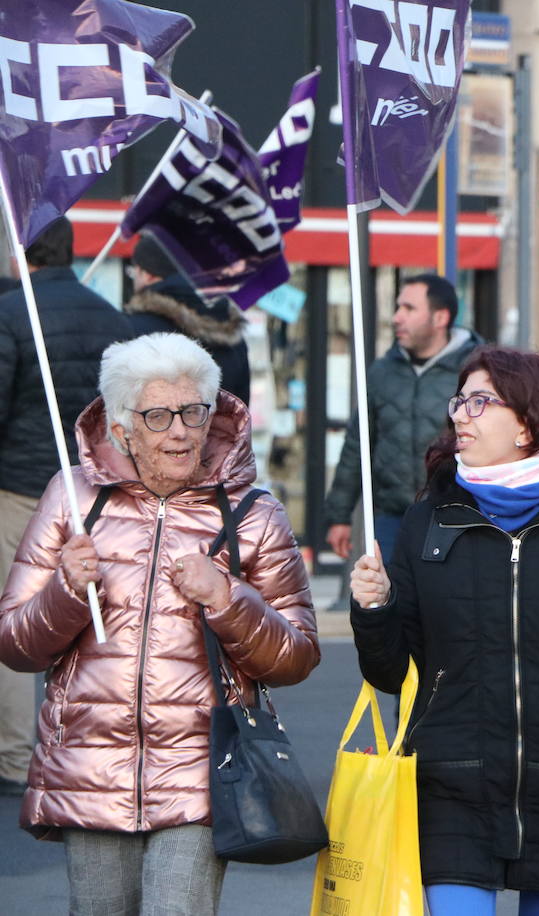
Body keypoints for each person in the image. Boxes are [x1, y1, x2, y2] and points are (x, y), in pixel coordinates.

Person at [0, 332, 320, 913]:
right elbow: (16, 645)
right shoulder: (72, 500)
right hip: (89, 767)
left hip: (204, 771)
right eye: (157, 415)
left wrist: (228, 597)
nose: (179, 431)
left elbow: (297, 656)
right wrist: (67, 591)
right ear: (122, 429)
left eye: (193, 412)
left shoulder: (255, 511)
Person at [349, 346, 539, 915]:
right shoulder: (430, 519)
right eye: (459, 401)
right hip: (451, 784)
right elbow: (392, 673)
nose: (460, 415)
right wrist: (374, 611)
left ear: (526, 423)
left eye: (479, 401)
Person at [0, 217, 132, 798]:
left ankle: (12, 757)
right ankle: (95, 739)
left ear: (19, 256)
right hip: (93, 494)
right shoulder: (112, 317)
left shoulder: (10, 314)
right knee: (91, 612)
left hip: (23, 487)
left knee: (18, 612)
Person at [325, 273, 483, 563]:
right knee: (388, 602)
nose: (397, 317)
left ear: (440, 318)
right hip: (392, 518)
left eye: (409, 308)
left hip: (458, 514)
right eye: (398, 307)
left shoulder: (477, 370)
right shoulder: (382, 372)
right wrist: (339, 515)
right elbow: (357, 445)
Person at [124, 235, 251, 406]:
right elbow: (240, 410)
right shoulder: (230, 329)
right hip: (217, 431)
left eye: (134, 272)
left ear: (146, 274)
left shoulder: (132, 328)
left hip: (155, 431)